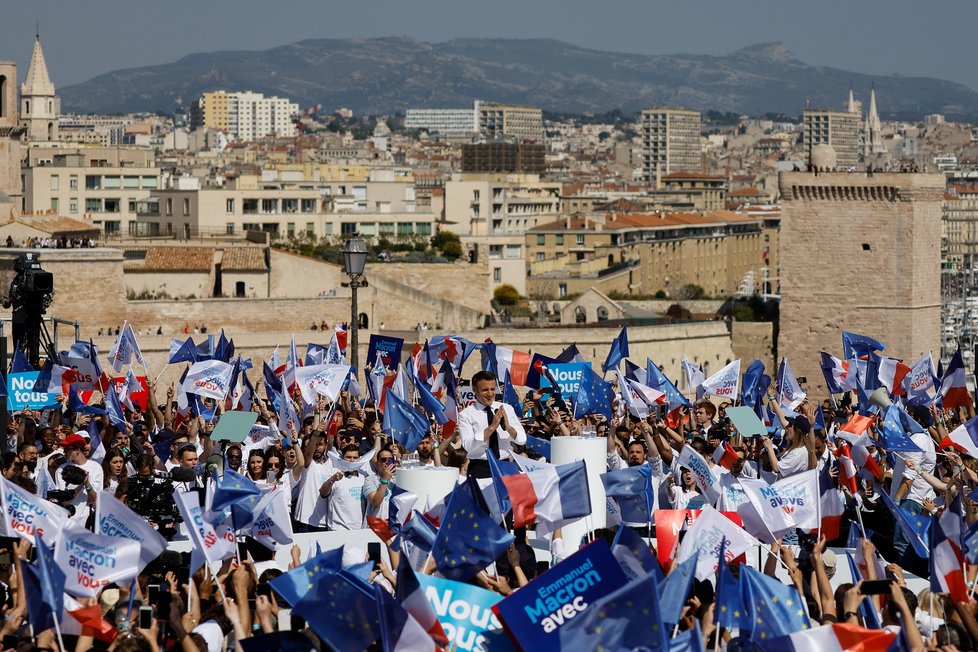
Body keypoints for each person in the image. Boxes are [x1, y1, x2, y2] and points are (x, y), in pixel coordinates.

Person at [457, 370, 526, 479]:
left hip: (505, 465)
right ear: (474, 390)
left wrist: (508, 427)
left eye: (492, 389)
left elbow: (522, 439)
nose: (490, 394)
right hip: (480, 467)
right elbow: (468, 446)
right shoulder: (466, 415)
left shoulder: (506, 408)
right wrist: (491, 427)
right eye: (485, 390)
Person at [320, 444, 365, 531]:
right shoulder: (334, 473)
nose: (352, 460)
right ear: (342, 457)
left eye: (355, 458)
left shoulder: (363, 477)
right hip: (338, 529)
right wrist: (332, 479)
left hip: (359, 530)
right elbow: (323, 492)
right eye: (348, 457)